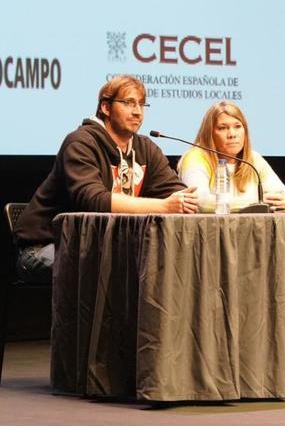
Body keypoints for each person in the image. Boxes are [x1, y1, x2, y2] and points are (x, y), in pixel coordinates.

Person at [13, 75, 198, 283]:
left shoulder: (145, 148)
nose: (137, 111)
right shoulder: (80, 143)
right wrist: (164, 207)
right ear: (106, 108)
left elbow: (179, 193)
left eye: (141, 104)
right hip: (46, 247)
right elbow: (94, 201)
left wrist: (185, 202)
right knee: (113, 269)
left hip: (100, 247)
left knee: (160, 264)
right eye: (128, 103)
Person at [178, 100, 285, 212]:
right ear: (209, 134)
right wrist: (258, 203)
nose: (232, 134)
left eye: (237, 126)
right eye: (222, 128)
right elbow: (200, 202)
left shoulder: (253, 159)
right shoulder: (195, 157)